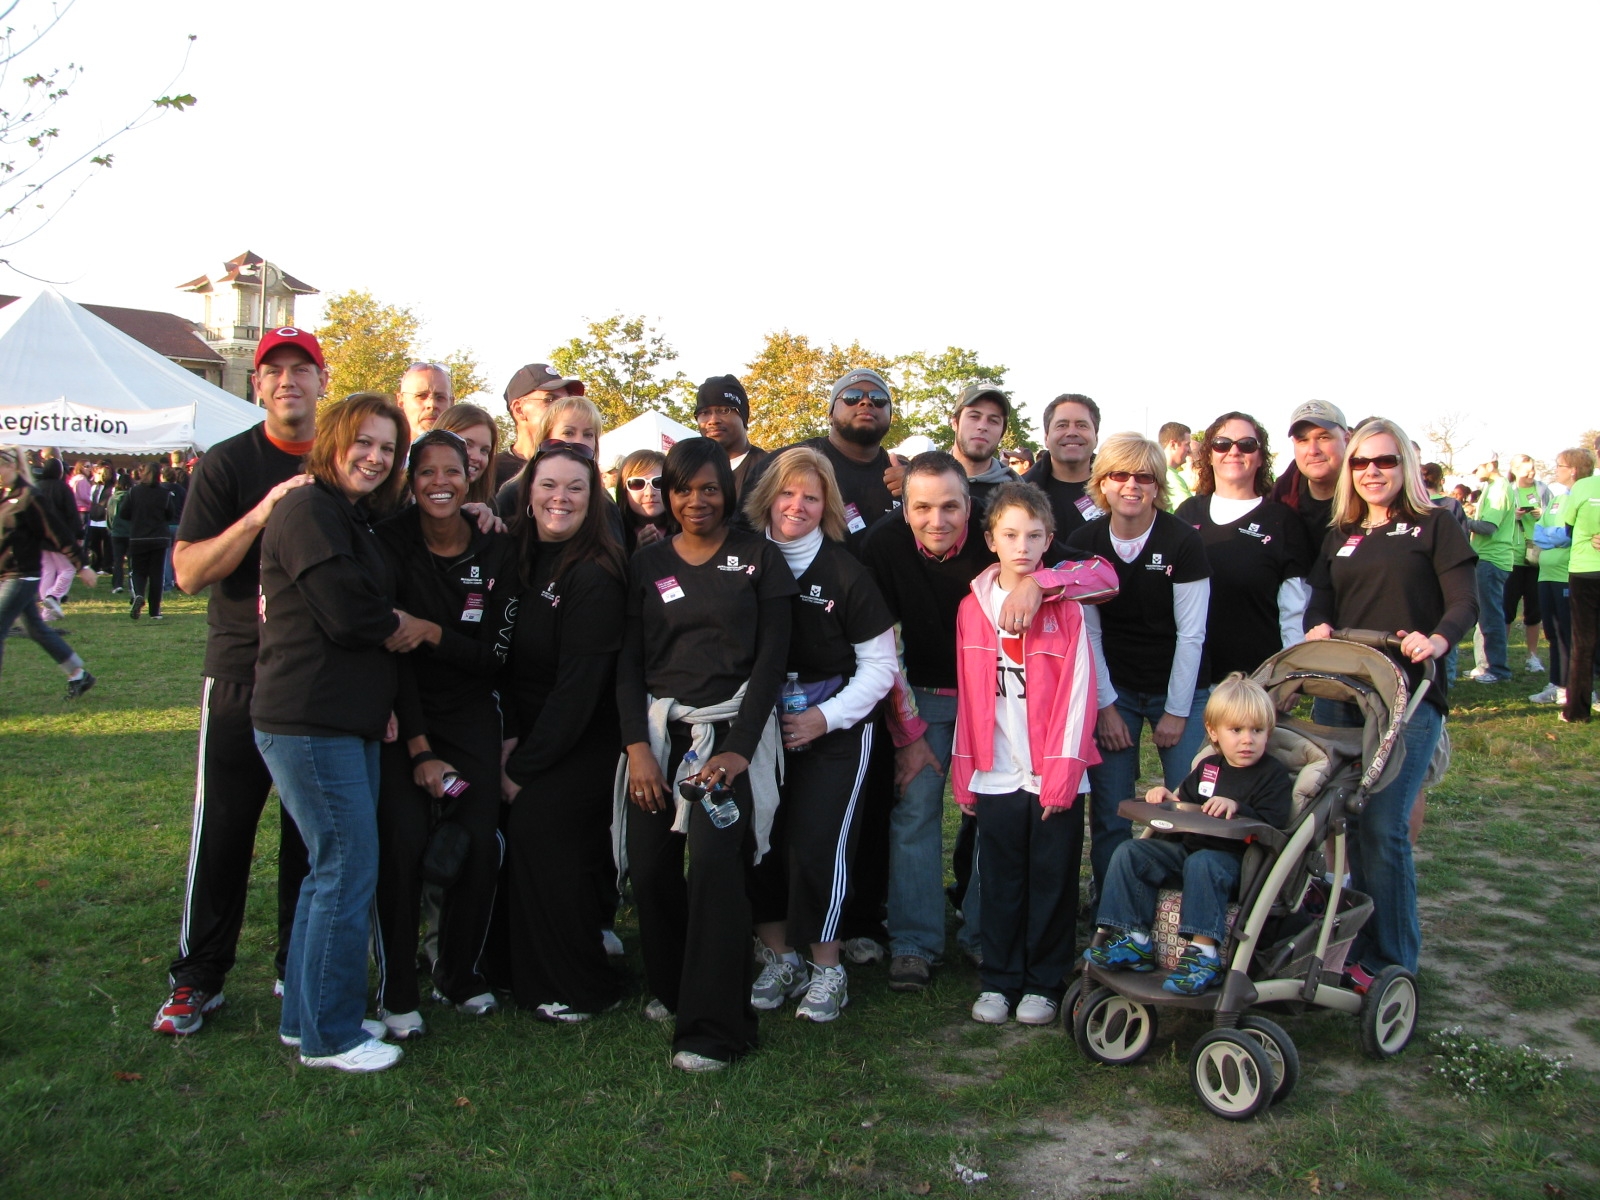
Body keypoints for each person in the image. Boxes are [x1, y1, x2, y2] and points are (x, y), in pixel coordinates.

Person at [154, 326, 324, 1037]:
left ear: (322, 381)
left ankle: (296, 963)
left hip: (318, 683)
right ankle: (198, 977)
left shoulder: (346, 459)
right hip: (239, 676)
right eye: (273, 370)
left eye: (301, 369)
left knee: (307, 837)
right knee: (222, 831)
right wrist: (265, 511)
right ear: (256, 385)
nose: (287, 380)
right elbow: (189, 573)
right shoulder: (227, 464)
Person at [618, 437, 795, 1071]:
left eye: (709, 488)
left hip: (730, 733)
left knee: (718, 867)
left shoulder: (759, 558)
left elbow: (773, 660)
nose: (696, 500)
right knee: (652, 865)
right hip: (662, 734)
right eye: (683, 488)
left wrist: (742, 750)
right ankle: (673, 988)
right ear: (667, 494)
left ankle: (713, 1029)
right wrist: (638, 748)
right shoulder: (646, 564)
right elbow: (627, 663)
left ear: (728, 493)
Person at [253, 392, 418, 1073]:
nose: (377, 458)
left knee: (334, 872)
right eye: (367, 442)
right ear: (335, 440)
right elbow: (349, 615)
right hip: (309, 720)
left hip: (344, 718)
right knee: (346, 869)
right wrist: (406, 627)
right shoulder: (307, 510)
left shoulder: (346, 514)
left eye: (389, 448)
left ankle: (306, 1018)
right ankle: (332, 1035)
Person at [859, 452, 1049, 991]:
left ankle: (987, 930)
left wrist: (1042, 580)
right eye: (922, 507)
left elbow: (1091, 569)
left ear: (973, 505)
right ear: (903, 507)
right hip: (916, 691)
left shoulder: (998, 531)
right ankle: (915, 942)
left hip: (992, 695)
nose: (937, 521)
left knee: (997, 811)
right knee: (915, 810)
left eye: (950, 507)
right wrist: (908, 734)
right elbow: (880, 649)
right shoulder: (882, 545)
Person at [1305, 417, 1477, 977]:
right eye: (1361, 462)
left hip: (1408, 692)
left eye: (1385, 461)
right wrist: (1319, 628)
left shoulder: (1434, 526)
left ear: (1404, 465)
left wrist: (1439, 638)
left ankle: (1393, 961)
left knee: (1381, 824)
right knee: (1336, 823)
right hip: (1342, 691)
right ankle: (1346, 943)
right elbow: (1320, 601)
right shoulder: (1342, 532)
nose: (1372, 472)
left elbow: (1463, 602)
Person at [742, 448, 897, 1022]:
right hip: (758, 729)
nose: (797, 505)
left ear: (827, 504)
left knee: (816, 844)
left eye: (811, 496)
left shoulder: (844, 571)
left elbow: (881, 667)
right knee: (762, 842)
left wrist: (823, 717)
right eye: (787, 493)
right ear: (768, 497)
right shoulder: (744, 557)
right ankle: (779, 956)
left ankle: (827, 967)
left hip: (833, 728)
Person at [371, 430, 516, 1038]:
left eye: (451, 471)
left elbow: (497, 658)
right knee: (402, 846)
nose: (439, 483)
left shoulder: (495, 545)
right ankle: (396, 987)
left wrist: (432, 632)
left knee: (479, 844)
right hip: (401, 717)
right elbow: (389, 654)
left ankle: (458, 974)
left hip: (471, 715)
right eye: (426, 472)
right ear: (410, 479)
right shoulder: (388, 543)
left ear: (470, 477)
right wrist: (420, 749)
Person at [952, 483, 1098, 1026]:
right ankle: (999, 978)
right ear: (990, 539)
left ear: (1049, 540)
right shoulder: (970, 609)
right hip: (994, 772)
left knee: (1052, 878)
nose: (1021, 545)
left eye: (1033, 535)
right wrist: (966, 773)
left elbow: (1078, 694)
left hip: (1052, 773)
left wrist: (1062, 774)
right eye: (1010, 534)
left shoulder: (1069, 608)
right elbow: (970, 696)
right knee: (1002, 877)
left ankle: (1043, 982)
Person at [497, 439, 628, 1022]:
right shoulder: (517, 556)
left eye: (576, 488)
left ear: (592, 500)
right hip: (521, 731)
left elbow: (579, 691)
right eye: (548, 484)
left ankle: (578, 983)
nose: (561, 498)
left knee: (540, 821)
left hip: (583, 739)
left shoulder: (593, 574)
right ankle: (519, 971)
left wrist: (521, 769)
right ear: (527, 494)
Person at [1066, 433, 1212, 895]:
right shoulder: (1083, 541)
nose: (1131, 485)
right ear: (1102, 484)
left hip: (1179, 687)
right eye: (1119, 475)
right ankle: (1113, 909)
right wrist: (1106, 707)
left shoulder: (1183, 542)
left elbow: (1192, 635)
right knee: (1112, 812)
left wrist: (1176, 710)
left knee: (1192, 809)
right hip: (1115, 689)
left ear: (1158, 485)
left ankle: (1188, 907)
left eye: (1144, 477)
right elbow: (1088, 633)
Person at [1086, 673, 1291, 995]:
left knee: (1203, 863)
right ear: (1214, 733)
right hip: (1190, 851)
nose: (1247, 740)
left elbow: (1274, 824)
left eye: (1257, 730)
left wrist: (1236, 807)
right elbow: (1187, 805)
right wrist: (1167, 800)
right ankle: (1134, 938)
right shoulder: (1209, 768)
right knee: (1130, 852)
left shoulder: (1273, 776)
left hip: (1237, 865)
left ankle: (1204, 954)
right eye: (1236, 731)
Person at [1174, 413, 1311, 680]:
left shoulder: (1283, 522)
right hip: (1191, 682)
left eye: (1246, 445)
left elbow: (1294, 611)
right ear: (1209, 455)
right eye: (1222, 444)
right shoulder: (1186, 514)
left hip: (1256, 683)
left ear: (1260, 458)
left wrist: (1291, 672)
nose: (1233, 452)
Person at [0, 445, 97, 695]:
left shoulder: (29, 497)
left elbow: (58, 532)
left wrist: (81, 565)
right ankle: (79, 674)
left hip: (21, 575)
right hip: (7, 573)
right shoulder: (4, 496)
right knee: (36, 629)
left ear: (11, 466)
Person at [1530, 448, 1593, 706]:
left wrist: (1555, 536)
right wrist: (1553, 536)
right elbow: (1538, 531)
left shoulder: (1583, 496)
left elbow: (1569, 533)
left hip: (1567, 574)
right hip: (1545, 574)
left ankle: (1576, 687)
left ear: (1574, 470)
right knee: (1553, 633)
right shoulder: (1557, 498)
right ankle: (1556, 683)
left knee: (1570, 634)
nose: (1556, 470)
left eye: (1560, 465)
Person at [1021, 393, 1103, 542]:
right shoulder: (1019, 493)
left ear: (1096, 437)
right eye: (1062, 425)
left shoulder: (1118, 491)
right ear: (1046, 438)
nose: (1072, 432)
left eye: (1081, 425)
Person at [1270, 400, 1350, 552]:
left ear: (1346, 440)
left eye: (1323, 437)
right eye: (1303, 440)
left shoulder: (1370, 498)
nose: (1313, 450)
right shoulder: (1279, 500)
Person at [1465, 455, 1517, 683]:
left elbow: (1488, 527)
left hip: (1492, 558)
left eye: (1477, 467)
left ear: (1490, 465)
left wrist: (1457, 519)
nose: (1475, 473)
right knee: (1484, 616)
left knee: (1491, 616)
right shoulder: (1493, 487)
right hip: (1487, 558)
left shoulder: (1498, 489)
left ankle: (1498, 669)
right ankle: (1486, 665)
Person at [494, 363, 583, 492]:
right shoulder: (491, 472)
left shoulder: (578, 467)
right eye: (550, 400)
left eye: (566, 401)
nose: (563, 410)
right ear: (519, 410)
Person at [1503, 454, 1550, 673]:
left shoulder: (1542, 490)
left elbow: (1556, 517)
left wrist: (1544, 514)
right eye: (1526, 470)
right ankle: (1500, 655)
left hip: (1536, 556)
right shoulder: (1508, 491)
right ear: (1515, 470)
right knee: (1507, 608)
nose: (1531, 474)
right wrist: (1515, 516)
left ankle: (1533, 656)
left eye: (1533, 469)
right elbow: (1499, 520)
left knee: (1534, 609)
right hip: (1513, 556)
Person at [1562, 456, 1600, 725]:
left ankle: (1577, 710)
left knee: (1583, 643)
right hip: (1585, 568)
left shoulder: (1583, 487)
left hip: (1585, 569)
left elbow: (1568, 529)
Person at [947, 385, 1020, 522]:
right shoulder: (923, 481)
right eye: (974, 416)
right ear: (955, 422)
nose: (982, 426)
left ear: (1002, 433)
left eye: (993, 420)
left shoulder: (1018, 495)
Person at [695, 375, 767, 502]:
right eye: (705, 412)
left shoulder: (769, 470)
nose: (713, 420)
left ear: (743, 416)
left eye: (724, 410)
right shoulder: (691, 469)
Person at [123, 462, 175, 621]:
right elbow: (171, 514)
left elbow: (124, 513)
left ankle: (138, 594)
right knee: (156, 575)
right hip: (159, 537)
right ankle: (155, 610)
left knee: (138, 571)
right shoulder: (165, 494)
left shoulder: (133, 492)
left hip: (138, 537)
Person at [32, 458, 79, 619]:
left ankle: (47, 612)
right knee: (68, 569)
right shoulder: (63, 489)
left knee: (48, 571)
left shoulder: (37, 488)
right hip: (59, 537)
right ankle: (53, 596)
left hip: (40, 536)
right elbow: (72, 514)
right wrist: (78, 534)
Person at [433, 402, 501, 509]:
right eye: (467, 444)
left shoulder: (488, 506)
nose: (477, 457)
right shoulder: (405, 496)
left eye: (484, 450)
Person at [615, 448, 670, 553]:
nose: (649, 492)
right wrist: (638, 555)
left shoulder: (686, 530)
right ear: (623, 490)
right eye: (637, 483)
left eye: (658, 482)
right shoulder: (613, 533)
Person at [396, 361, 454, 437]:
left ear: (451, 403)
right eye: (421, 396)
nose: (432, 404)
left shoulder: (467, 447)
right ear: (401, 402)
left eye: (440, 397)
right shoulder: (381, 446)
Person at [1158, 422, 1193, 510]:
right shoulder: (1169, 476)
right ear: (1173, 444)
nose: (1189, 450)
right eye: (1187, 444)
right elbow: (1190, 510)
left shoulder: (1160, 471)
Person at [106, 471, 131, 594]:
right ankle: (133, 583)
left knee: (118, 560)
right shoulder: (132, 498)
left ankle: (117, 584)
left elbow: (109, 516)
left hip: (116, 533)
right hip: (130, 532)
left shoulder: (112, 499)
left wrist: (111, 529)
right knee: (132, 560)